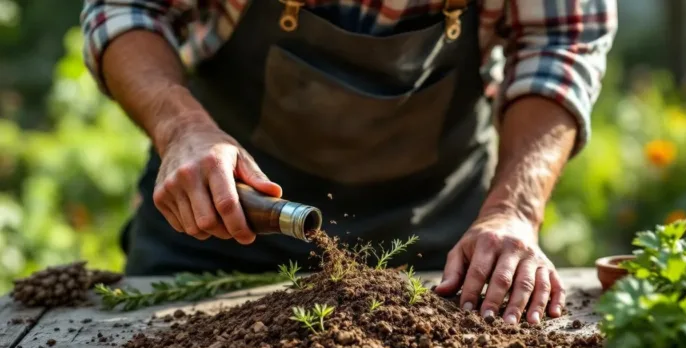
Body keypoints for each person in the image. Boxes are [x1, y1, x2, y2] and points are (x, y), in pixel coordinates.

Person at [80, 0, 617, 326]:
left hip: (435, 263)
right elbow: (129, 9)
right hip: (215, 232)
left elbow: (561, 41)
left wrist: (513, 212)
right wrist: (182, 128)